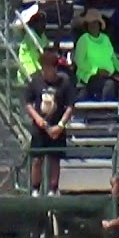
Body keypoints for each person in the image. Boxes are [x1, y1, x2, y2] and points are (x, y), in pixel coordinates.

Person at [24, 49, 75, 197]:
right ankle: (35, 189)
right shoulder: (36, 81)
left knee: (55, 159)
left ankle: (53, 188)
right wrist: (38, 119)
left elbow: (70, 106)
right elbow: (28, 103)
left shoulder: (64, 83)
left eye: (49, 68)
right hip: (40, 127)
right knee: (37, 160)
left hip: (56, 126)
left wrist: (60, 125)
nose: (46, 71)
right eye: (44, 68)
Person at [73, 9, 119, 101]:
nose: (93, 26)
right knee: (110, 85)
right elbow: (79, 61)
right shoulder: (83, 39)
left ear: (99, 25)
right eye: (90, 23)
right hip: (89, 77)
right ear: (86, 26)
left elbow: (113, 58)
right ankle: (105, 110)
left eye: (95, 23)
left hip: (108, 75)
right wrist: (97, 70)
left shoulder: (105, 39)